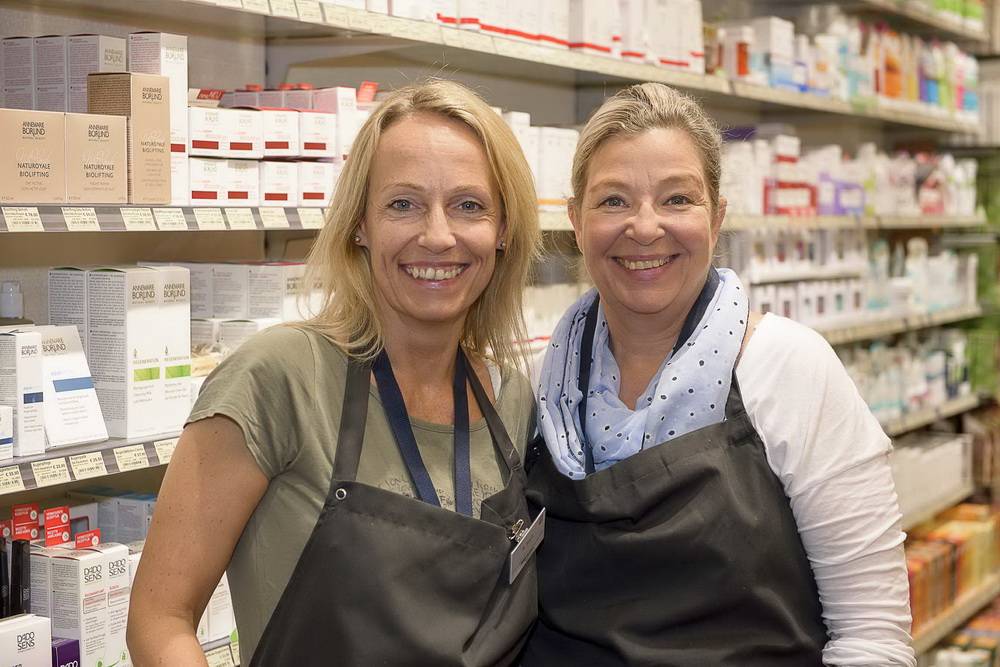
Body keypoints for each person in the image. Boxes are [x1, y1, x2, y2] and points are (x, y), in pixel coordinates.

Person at [127, 79, 542, 666]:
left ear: (503, 231)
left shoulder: (510, 397)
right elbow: (159, 620)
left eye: (468, 205)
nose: (437, 235)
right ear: (359, 224)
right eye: (403, 204)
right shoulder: (279, 378)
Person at [524, 82, 916, 666]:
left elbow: (873, 634)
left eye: (677, 199)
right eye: (613, 201)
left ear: (716, 219)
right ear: (576, 221)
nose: (645, 227)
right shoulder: (539, 385)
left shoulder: (788, 368)